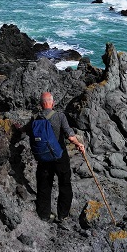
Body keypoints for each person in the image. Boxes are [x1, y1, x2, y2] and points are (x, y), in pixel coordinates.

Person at [22, 91, 85, 226]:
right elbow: (70, 135)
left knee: (44, 185)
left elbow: (26, 131)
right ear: (53, 102)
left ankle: (44, 214)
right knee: (64, 184)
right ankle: (62, 215)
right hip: (60, 156)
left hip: (43, 158)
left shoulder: (35, 118)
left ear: (40, 104)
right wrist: (79, 144)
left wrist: (16, 128)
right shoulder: (59, 116)